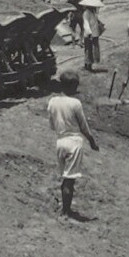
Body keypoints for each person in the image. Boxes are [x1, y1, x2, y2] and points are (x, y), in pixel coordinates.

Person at [47, 70, 98, 216]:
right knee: (70, 180)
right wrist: (92, 141)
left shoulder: (52, 101)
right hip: (74, 143)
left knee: (65, 177)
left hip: (60, 141)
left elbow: (52, 125)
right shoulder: (75, 103)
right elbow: (83, 126)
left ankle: (65, 207)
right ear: (73, 87)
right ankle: (66, 211)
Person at [80, 0, 105, 70]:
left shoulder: (93, 13)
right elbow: (86, 24)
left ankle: (90, 63)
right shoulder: (86, 13)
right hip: (89, 34)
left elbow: (95, 22)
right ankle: (88, 64)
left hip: (95, 34)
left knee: (93, 50)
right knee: (89, 49)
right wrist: (89, 32)